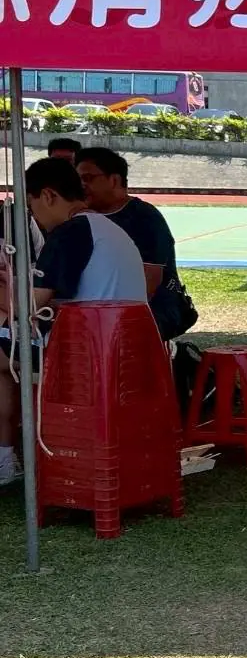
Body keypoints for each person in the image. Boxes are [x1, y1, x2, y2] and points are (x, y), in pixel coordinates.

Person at [0, 158, 147, 486]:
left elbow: (26, 307)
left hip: (86, 353)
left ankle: (5, 458)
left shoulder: (68, 233)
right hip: (122, 347)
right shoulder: (104, 229)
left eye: (32, 207)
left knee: (1, 350)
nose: (34, 217)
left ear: (48, 195)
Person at [75, 146, 195, 342]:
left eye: (88, 178)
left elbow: (148, 284)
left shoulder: (145, 218)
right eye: (78, 179)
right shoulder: (81, 219)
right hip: (100, 310)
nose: (81, 185)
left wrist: (107, 319)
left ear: (114, 180)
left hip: (151, 310)